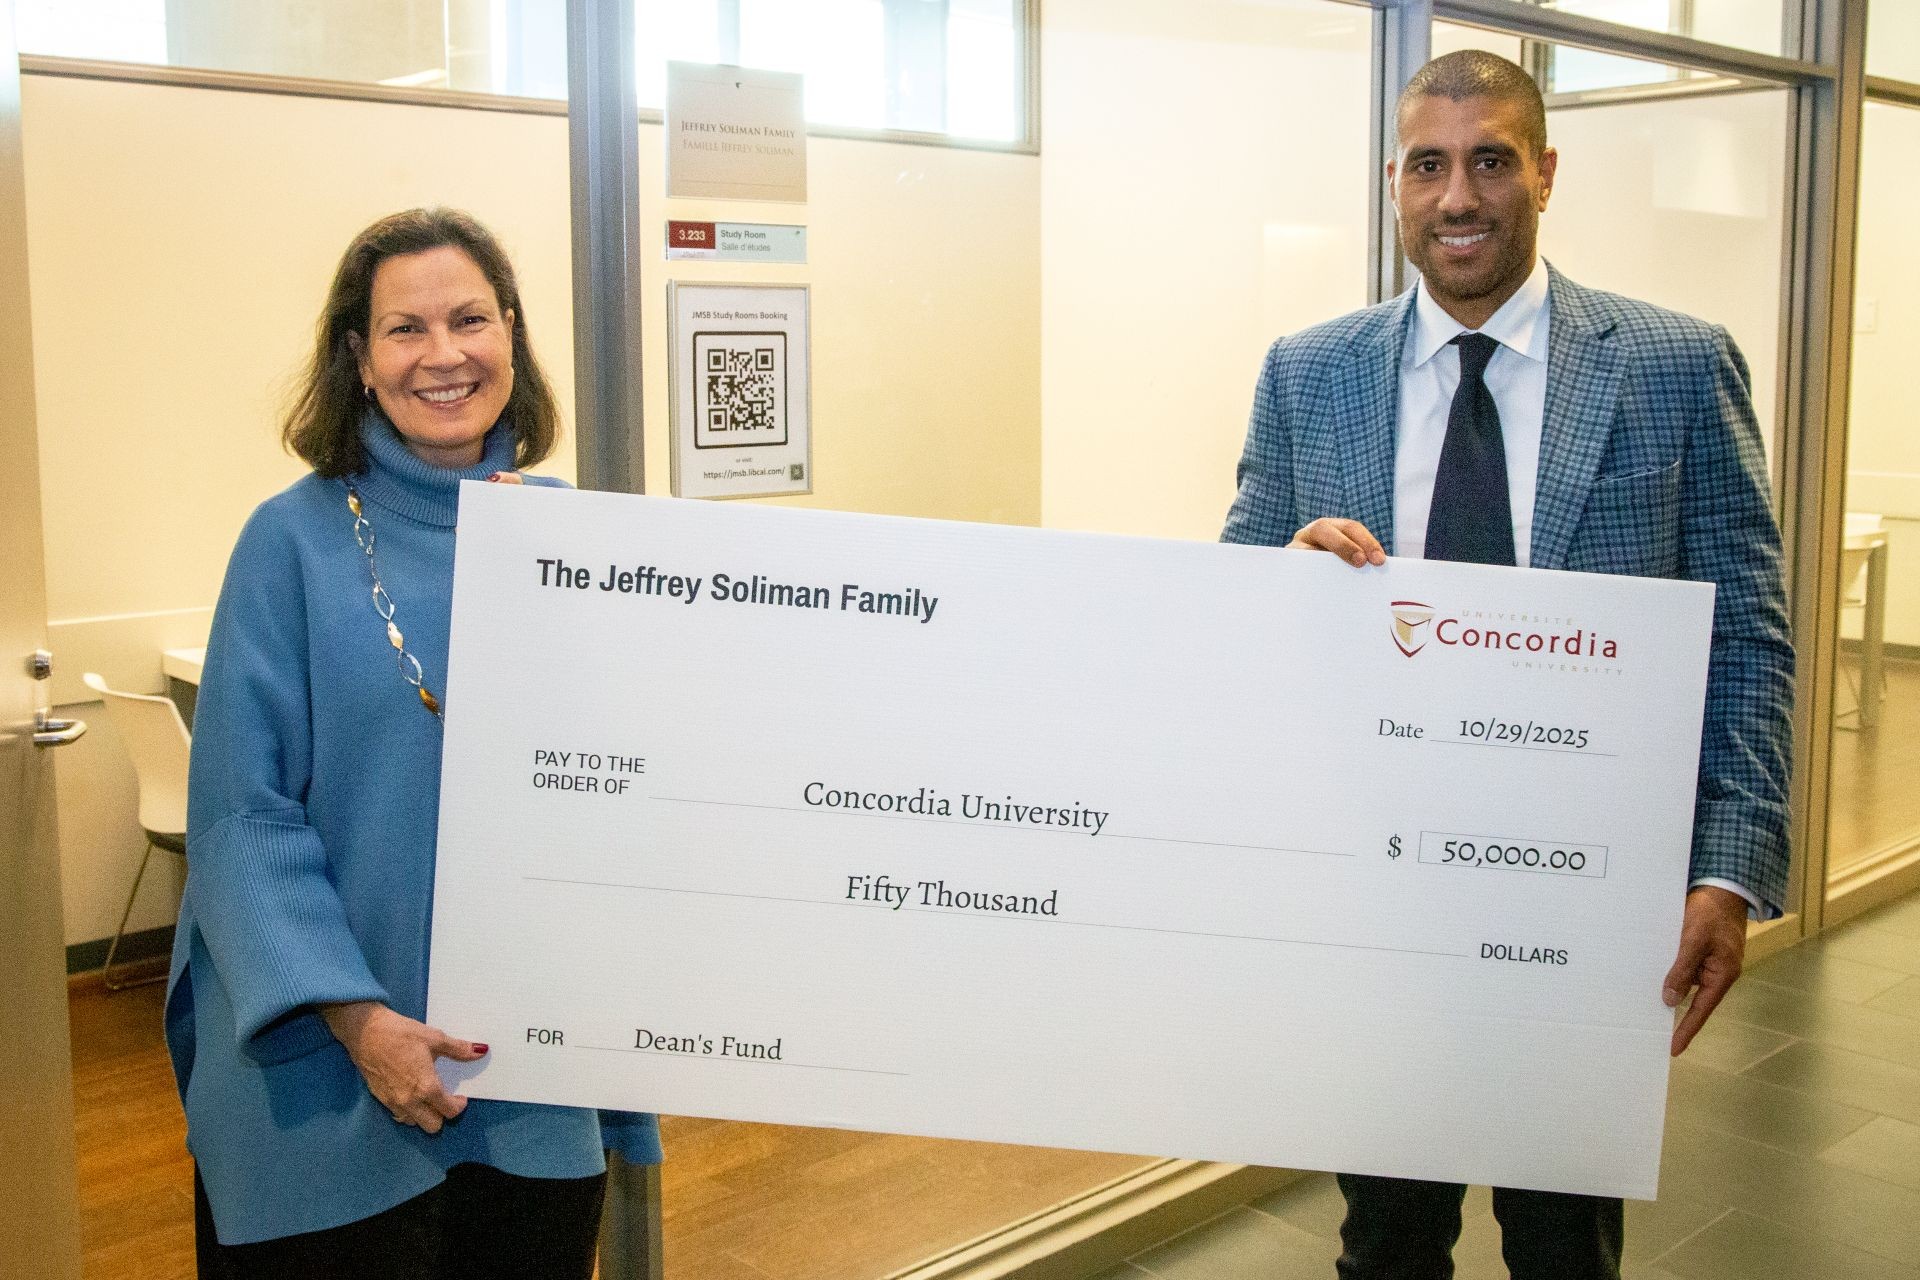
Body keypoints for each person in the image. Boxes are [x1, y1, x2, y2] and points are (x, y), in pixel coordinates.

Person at [1221, 51, 1792, 1280]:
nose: (1458, 195)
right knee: (1384, 1235)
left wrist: (1729, 866)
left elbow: (1745, 631)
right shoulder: (1307, 371)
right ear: (1393, 183)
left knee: (1564, 1243)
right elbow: (1234, 599)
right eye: (1429, 165)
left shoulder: (1678, 366)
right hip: (1382, 898)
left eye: (1490, 161)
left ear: (1543, 171)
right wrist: (1285, 572)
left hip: (1587, 900)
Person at [165, 207, 661, 1277]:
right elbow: (242, 816)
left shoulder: (577, 538)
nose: (444, 354)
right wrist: (357, 1019)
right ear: (359, 355)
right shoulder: (286, 541)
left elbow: (630, 789)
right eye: (405, 327)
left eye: (471, 318)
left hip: (528, 1075)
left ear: (513, 335)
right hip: (328, 1074)